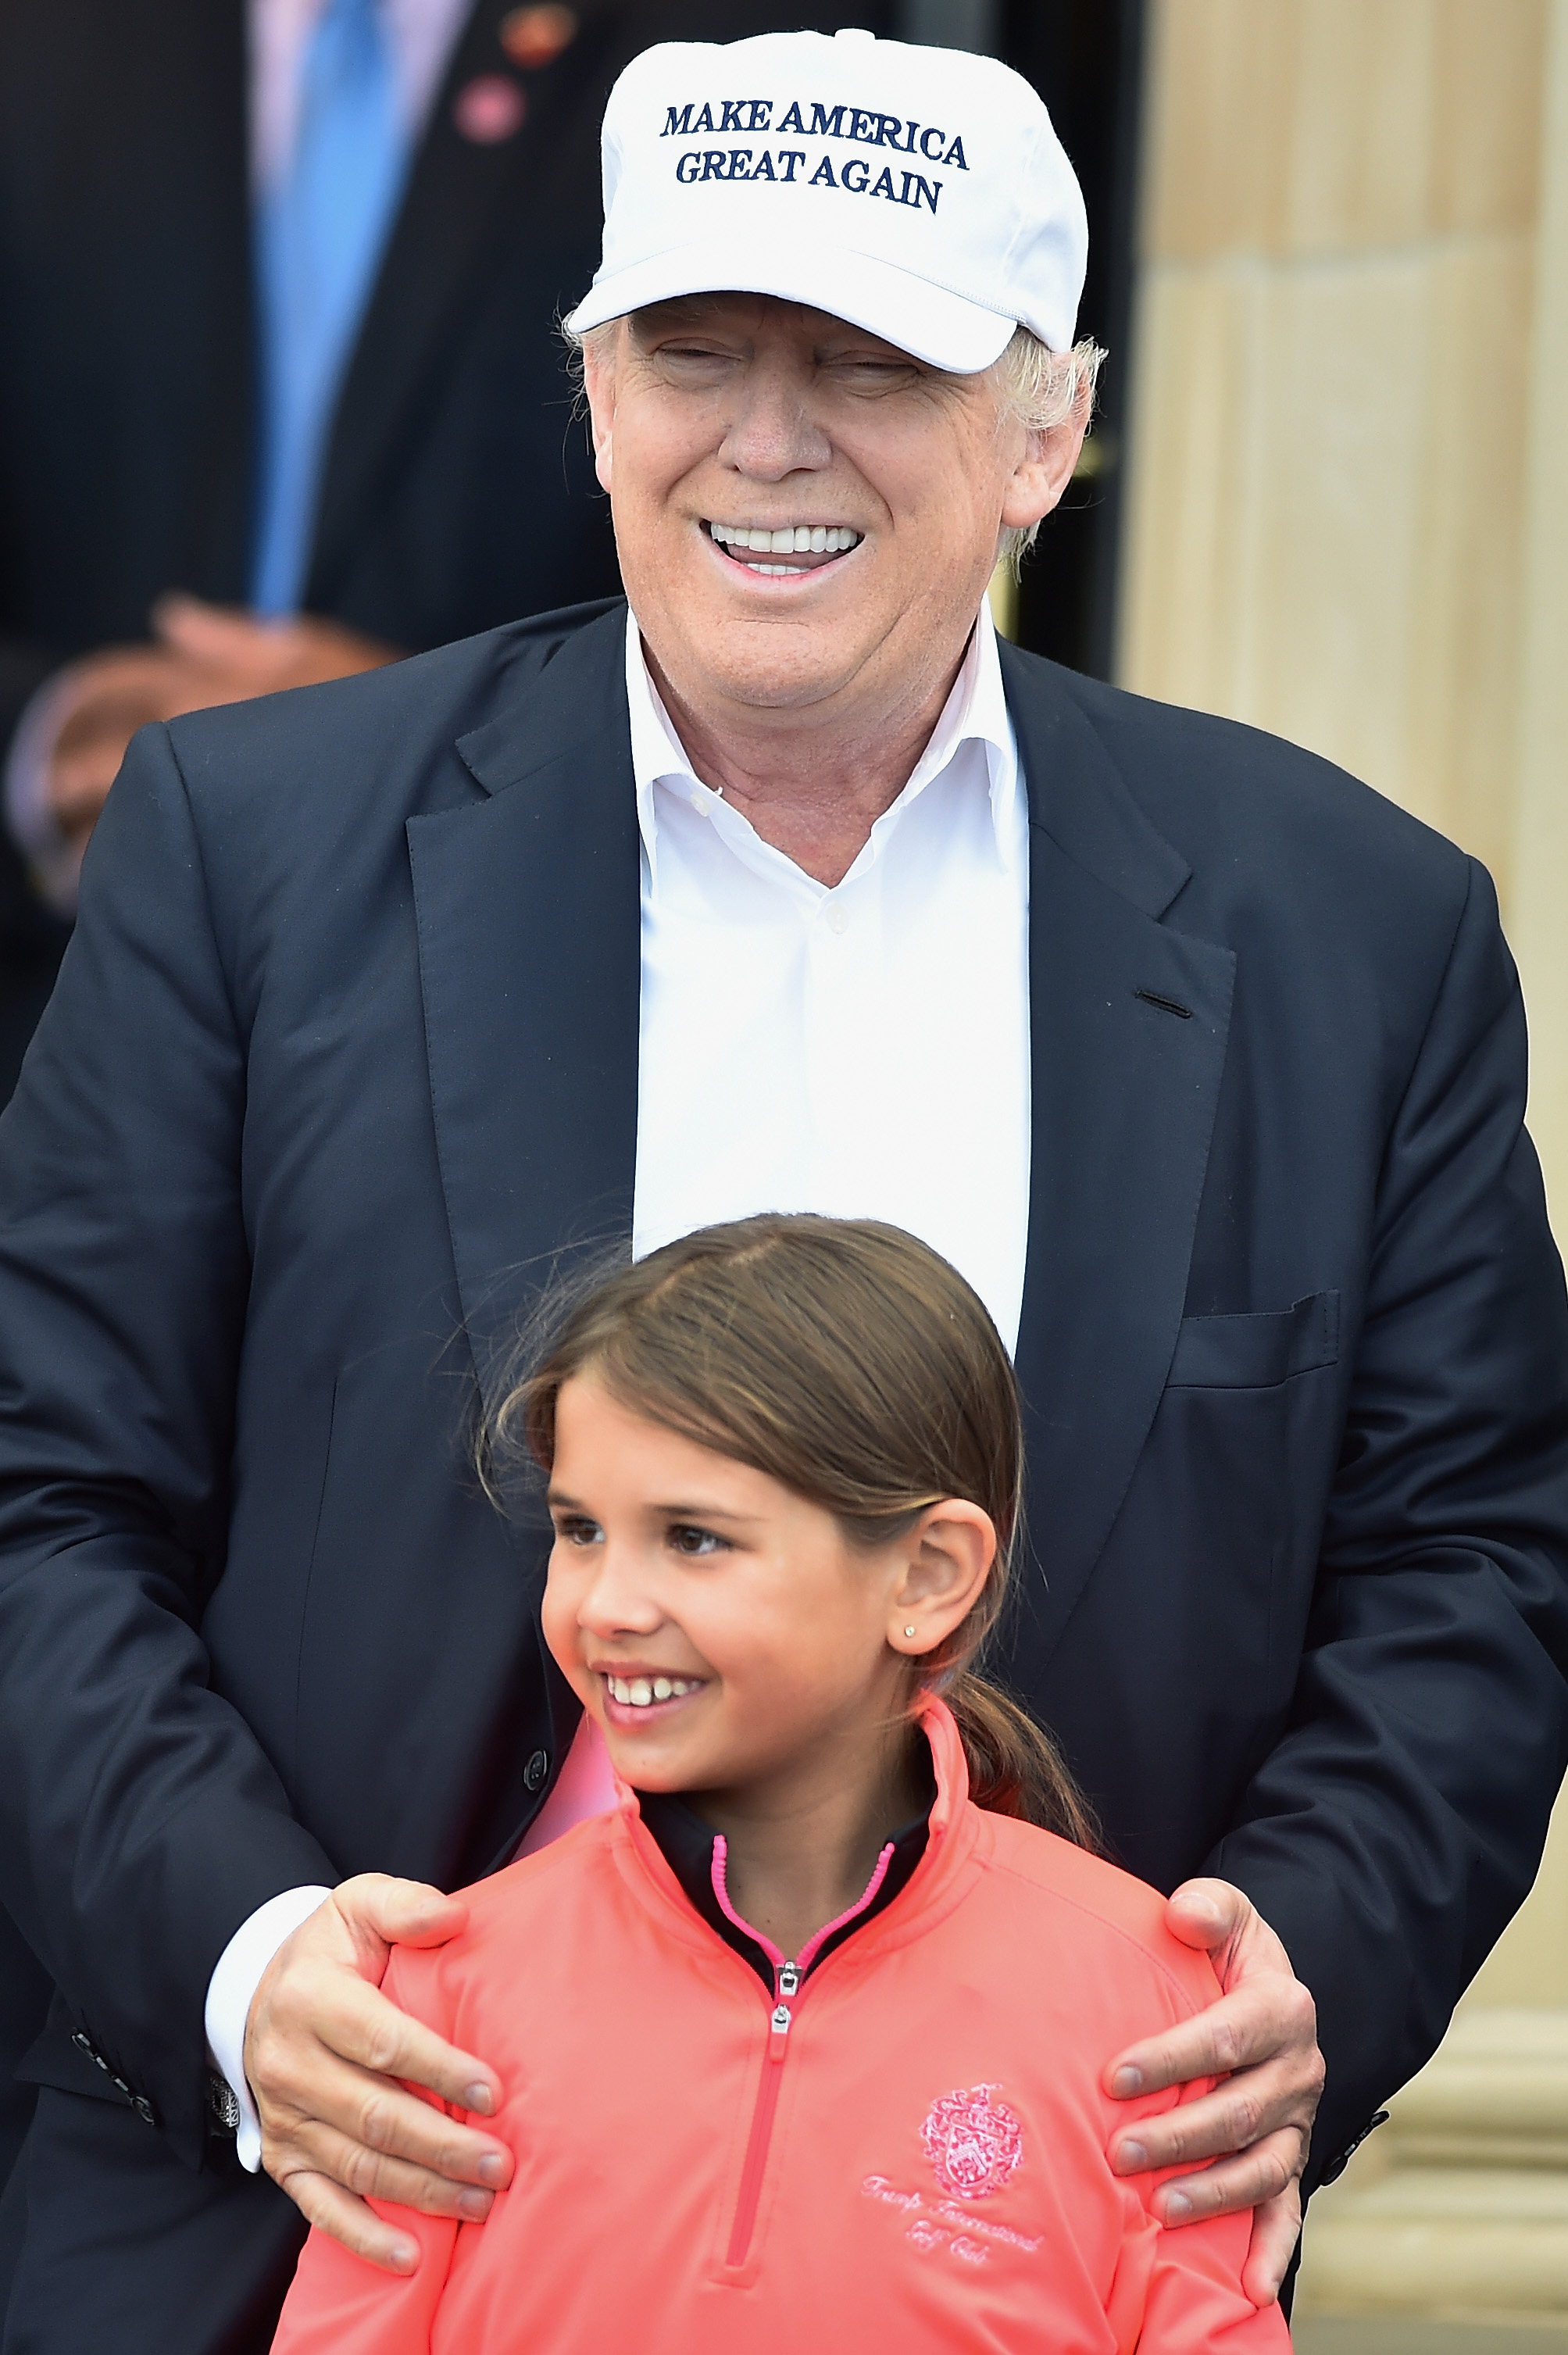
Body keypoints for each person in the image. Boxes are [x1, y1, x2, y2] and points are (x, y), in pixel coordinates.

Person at [0, 24, 1564, 2355]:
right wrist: (244, 1961)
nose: (765, 438)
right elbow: (41, 1491)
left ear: (1047, 433)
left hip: (1023, 2247)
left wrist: (1294, 1964)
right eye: (696, 350)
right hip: (310, 2233)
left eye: (870, 364)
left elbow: (1471, 1559)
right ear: (593, 395)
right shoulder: (245, 852)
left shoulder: (1356, 935)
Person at [270, 1213, 1289, 2353]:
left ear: (928, 1573)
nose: (606, 1604)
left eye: (693, 1537)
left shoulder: (1153, 2007)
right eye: (580, 1529)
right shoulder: (443, 1993)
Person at [0, 0, 866, 1109]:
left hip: (552, 1043)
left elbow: (807, 573)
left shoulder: (752, 48)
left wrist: (442, 747)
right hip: (58, 1014)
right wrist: (56, 730)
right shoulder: (44, 42)